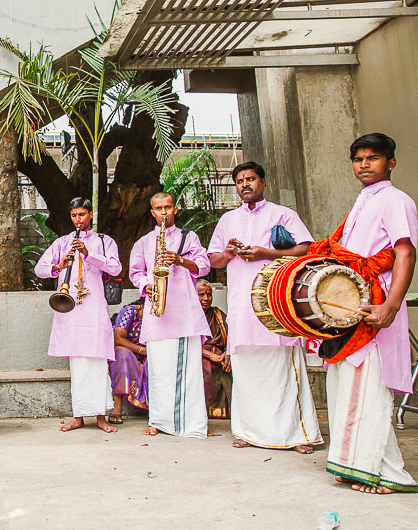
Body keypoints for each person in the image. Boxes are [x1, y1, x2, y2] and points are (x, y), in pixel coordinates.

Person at [318, 133, 417, 493]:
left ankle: (387, 473)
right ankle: (354, 465)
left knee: (370, 387)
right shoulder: (362, 201)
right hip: (353, 306)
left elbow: (405, 253)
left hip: (377, 307)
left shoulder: (396, 200)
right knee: (347, 385)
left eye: (372, 158)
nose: (364, 164)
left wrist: (391, 306)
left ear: (390, 163)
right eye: (358, 159)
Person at [207, 162, 321, 452]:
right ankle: (249, 431)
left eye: (251, 179)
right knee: (247, 368)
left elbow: (306, 248)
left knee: (283, 365)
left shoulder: (283, 214)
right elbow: (213, 261)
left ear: (263, 183)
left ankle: (295, 435)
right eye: (240, 181)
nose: (245, 184)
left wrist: (266, 253)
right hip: (243, 306)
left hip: (277, 303)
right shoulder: (228, 219)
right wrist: (229, 252)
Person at [34, 198, 121, 433]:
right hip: (70, 309)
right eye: (74, 215)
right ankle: (79, 417)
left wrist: (89, 254)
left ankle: (101, 417)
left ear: (90, 215)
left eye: (82, 214)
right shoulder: (63, 242)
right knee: (78, 365)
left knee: (97, 361)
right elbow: (39, 269)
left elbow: (116, 268)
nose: (78, 219)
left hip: (94, 308)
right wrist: (59, 266)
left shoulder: (104, 241)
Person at [128, 192, 211, 438]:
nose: (164, 212)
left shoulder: (189, 237)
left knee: (189, 372)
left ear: (175, 209)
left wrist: (180, 260)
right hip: (158, 313)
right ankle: (159, 421)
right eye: (158, 208)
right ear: (152, 212)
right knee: (159, 369)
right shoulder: (143, 242)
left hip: (185, 314)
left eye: (167, 207)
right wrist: (147, 286)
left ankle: (193, 424)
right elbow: (135, 272)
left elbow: (204, 265)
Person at [109, 298, 148, 423]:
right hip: (125, 356)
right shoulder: (130, 312)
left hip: (148, 357)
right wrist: (143, 350)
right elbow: (118, 339)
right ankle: (117, 407)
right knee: (123, 354)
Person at [197, 279, 231, 420]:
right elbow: (187, 344)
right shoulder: (189, 315)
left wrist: (227, 354)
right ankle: (204, 412)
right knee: (207, 367)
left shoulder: (217, 313)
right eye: (201, 294)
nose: (206, 298)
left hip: (220, 355)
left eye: (209, 294)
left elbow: (231, 335)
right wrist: (211, 356)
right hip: (199, 355)